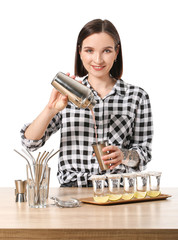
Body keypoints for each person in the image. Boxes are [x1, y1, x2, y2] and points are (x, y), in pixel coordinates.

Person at [20, 19, 153, 187]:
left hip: (117, 190)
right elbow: (30, 143)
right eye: (89, 50)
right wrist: (50, 109)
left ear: (116, 52)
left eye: (106, 51)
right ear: (80, 52)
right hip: (73, 190)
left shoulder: (136, 96)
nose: (98, 60)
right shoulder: (68, 94)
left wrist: (124, 155)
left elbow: (144, 154)